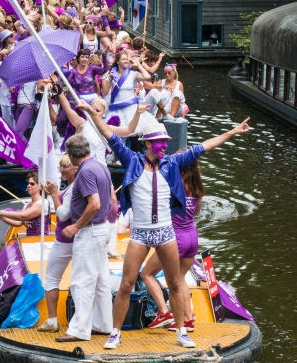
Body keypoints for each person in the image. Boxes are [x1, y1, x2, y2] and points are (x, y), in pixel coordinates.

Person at [82, 111, 250, 350]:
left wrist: (232, 132)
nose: (165, 146)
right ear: (148, 144)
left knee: (174, 283)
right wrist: (90, 112)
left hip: (165, 233)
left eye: (166, 142)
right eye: (160, 142)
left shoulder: (173, 163)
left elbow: (205, 146)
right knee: (127, 284)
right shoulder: (132, 160)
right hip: (140, 233)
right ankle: (115, 332)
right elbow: (108, 134)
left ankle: (181, 331)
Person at [54, 134, 116, 343]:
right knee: (100, 280)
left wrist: (75, 226)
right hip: (103, 227)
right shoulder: (101, 166)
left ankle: (79, 330)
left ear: (71, 155)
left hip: (89, 231)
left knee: (81, 281)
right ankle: (104, 323)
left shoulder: (85, 172)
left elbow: (95, 203)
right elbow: (109, 199)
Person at [141, 150, 204, 332]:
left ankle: (163, 312)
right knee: (180, 279)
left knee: (147, 274)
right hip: (192, 236)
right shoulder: (197, 186)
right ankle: (186, 319)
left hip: (175, 238)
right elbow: (195, 211)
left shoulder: (172, 185)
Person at [36, 156, 78, 332]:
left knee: (52, 278)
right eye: (60, 166)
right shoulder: (73, 187)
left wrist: (54, 194)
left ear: (75, 167)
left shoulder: (73, 188)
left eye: (65, 166)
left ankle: (53, 320)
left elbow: (62, 215)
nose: (61, 170)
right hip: (77, 238)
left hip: (65, 239)